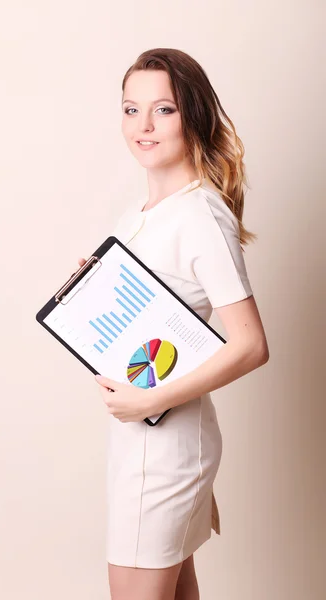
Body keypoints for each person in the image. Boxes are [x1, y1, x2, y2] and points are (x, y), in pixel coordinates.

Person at [76, 48, 269, 600]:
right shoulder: (137, 216)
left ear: (194, 115)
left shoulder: (199, 215)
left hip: (161, 448)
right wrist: (88, 294)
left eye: (163, 109)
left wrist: (145, 403)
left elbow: (251, 345)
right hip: (143, 438)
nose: (143, 125)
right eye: (131, 109)